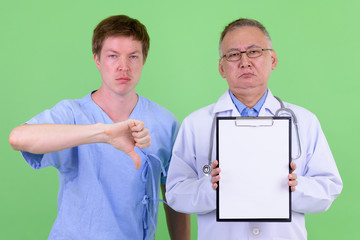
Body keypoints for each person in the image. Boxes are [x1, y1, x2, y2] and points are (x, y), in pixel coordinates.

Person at [9, 15, 190, 240]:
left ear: (144, 60)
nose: (123, 67)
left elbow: (175, 197)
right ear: (97, 59)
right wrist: (103, 134)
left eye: (133, 56)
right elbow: (18, 138)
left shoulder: (165, 122)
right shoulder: (72, 114)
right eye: (113, 56)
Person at [165, 18, 342, 239]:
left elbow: (329, 187)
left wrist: (295, 186)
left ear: (273, 59)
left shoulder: (304, 121)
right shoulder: (196, 124)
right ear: (222, 67)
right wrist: (210, 188)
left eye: (254, 51)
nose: (245, 62)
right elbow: (175, 192)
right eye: (233, 55)